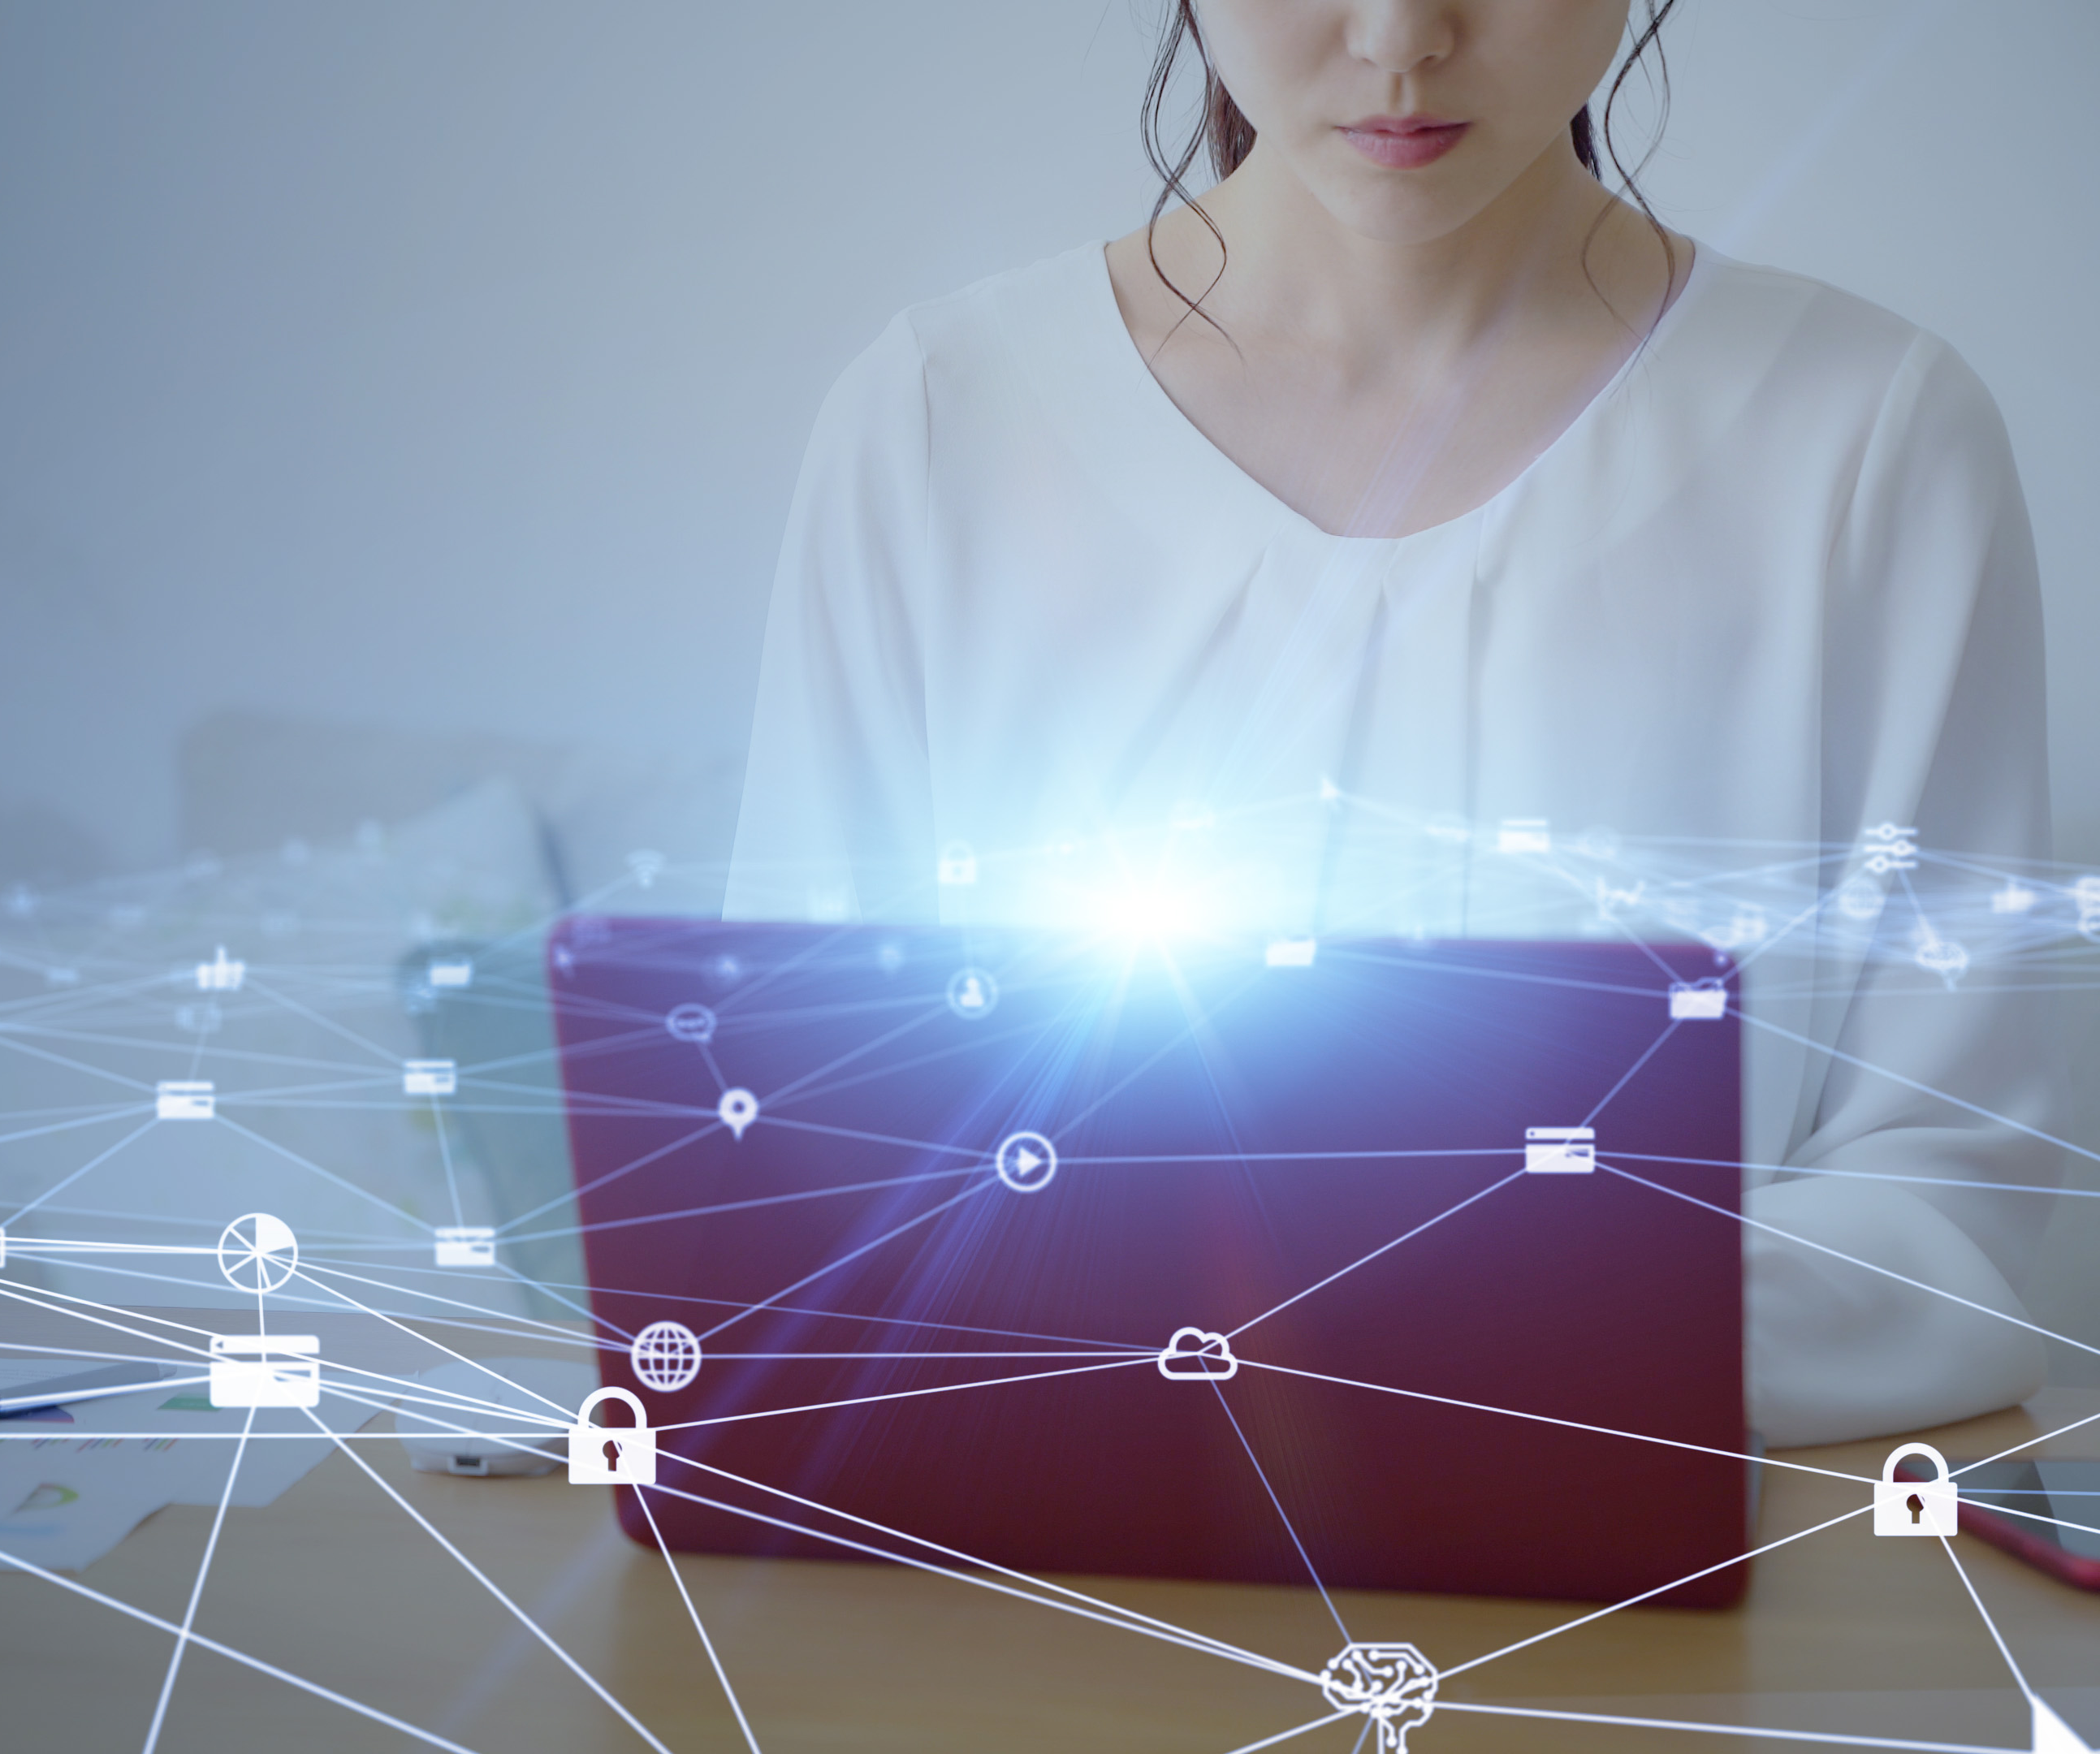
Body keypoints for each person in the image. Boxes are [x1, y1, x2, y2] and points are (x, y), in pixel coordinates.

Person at [726, 0, 2063, 1447]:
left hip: (1658, 1594)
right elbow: (791, 1155)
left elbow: (1955, 1211)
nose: (1402, 36)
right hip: (1034, 1566)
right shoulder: (937, 422)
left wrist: (1441, 1355)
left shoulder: (1866, 438)